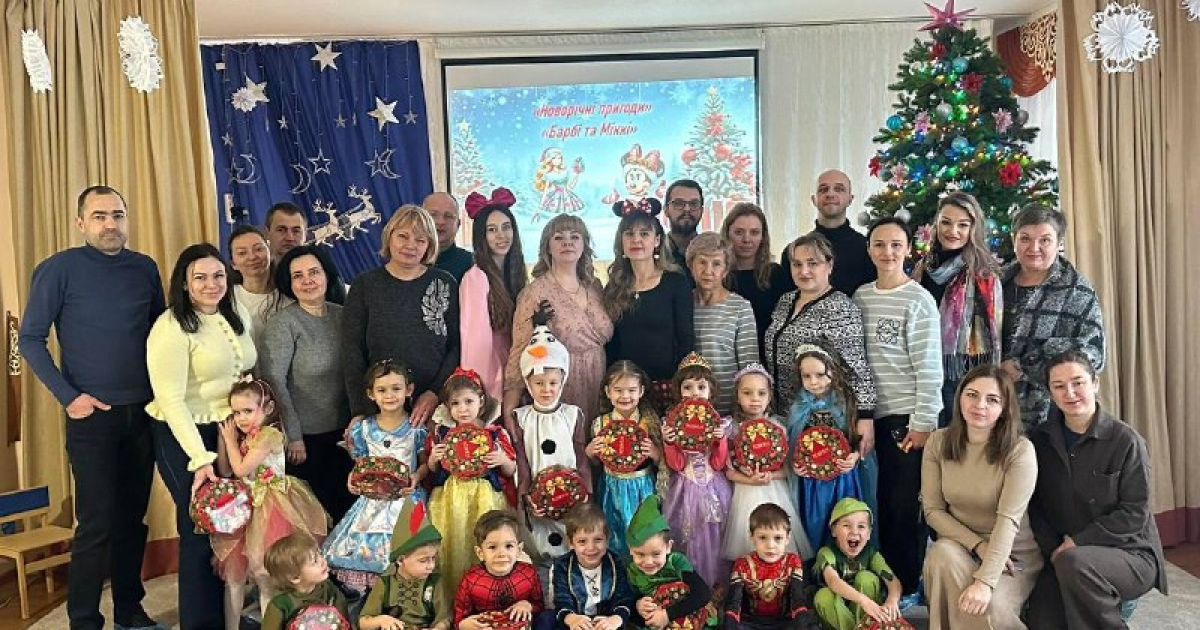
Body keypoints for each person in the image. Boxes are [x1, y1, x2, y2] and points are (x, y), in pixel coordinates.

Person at [18, 185, 167, 630]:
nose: (110, 224)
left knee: (131, 519)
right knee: (96, 522)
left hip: (143, 413)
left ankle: (129, 610)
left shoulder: (144, 268)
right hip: (91, 416)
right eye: (99, 216)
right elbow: (31, 339)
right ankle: (83, 619)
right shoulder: (58, 269)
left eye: (117, 215)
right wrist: (69, 397)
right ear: (80, 222)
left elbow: (161, 336)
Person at [146, 243, 256, 630]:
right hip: (185, 434)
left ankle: (227, 617)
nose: (212, 284)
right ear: (185, 283)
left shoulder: (234, 312)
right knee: (199, 527)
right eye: (201, 277)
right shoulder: (171, 326)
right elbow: (170, 400)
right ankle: (199, 622)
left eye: (218, 275)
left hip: (228, 430)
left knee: (230, 524)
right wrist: (200, 458)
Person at [1025, 350, 1166, 630]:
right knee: (1041, 621)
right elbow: (1035, 508)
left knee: (1075, 564)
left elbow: (1134, 513)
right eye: (1059, 386)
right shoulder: (1039, 441)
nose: (1070, 393)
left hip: (1129, 553)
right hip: (1062, 555)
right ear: (1050, 393)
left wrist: (1077, 543)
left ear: (1095, 383)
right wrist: (1054, 549)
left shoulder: (1126, 441)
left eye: (1078, 382)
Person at [854, 217, 942, 607]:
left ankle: (907, 583)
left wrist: (923, 423)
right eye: (879, 244)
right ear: (869, 249)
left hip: (906, 418)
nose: (887, 252)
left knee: (903, 504)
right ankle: (880, 578)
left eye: (895, 245)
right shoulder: (861, 296)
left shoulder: (918, 299)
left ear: (908, 249)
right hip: (869, 416)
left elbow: (929, 368)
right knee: (877, 501)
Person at [921, 365, 1041, 630]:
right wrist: (977, 545)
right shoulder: (937, 442)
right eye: (972, 395)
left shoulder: (1020, 451)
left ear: (1004, 408)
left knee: (990, 606)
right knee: (940, 554)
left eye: (992, 399)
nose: (980, 405)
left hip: (1010, 556)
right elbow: (933, 511)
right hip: (960, 546)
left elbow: (1008, 521)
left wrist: (985, 581)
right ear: (959, 398)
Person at [212, 377, 328, 630]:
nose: (241, 419)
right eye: (236, 413)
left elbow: (241, 469)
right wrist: (224, 440)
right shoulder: (243, 437)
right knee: (234, 579)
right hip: (244, 508)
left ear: (268, 408)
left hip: (271, 508)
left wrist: (230, 441)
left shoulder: (270, 435)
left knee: (265, 577)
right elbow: (226, 470)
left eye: (248, 411)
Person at [342, 204, 460, 428]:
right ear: (389, 236)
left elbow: (456, 345)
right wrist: (361, 410)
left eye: (420, 240)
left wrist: (435, 392)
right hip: (380, 409)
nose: (410, 246)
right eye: (403, 236)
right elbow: (352, 352)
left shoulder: (444, 283)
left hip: (435, 408)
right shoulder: (365, 285)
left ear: (429, 245)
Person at [260, 245, 352, 521]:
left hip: (347, 435)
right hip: (305, 442)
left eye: (314, 272)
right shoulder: (283, 324)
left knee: (348, 513)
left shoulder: (344, 316)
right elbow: (274, 382)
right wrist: (294, 436)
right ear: (289, 283)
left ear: (327, 275)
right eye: (298, 275)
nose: (308, 280)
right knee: (316, 521)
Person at [324, 360, 429, 592]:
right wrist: (353, 479)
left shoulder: (417, 428)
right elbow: (361, 465)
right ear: (371, 394)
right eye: (382, 390)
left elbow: (424, 465)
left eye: (396, 388)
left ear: (408, 390)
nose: (389, 395)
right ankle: (372, 599)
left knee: (406, 551)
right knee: (367, 550)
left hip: (405, 499)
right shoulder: (363, 429)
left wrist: (416, 477)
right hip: (372, 502)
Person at [1001, 204, 1106, 430]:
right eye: (1025, 239)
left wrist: (1024, 365)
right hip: (994, 407)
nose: (1034, 248)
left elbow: (1093, 353)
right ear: (1014, 240)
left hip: (1051, 412)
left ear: (1059, 243)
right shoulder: (996, 284)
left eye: (1045, 240)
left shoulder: (1076, 290)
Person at [762, 233, 876, 438]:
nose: (803, 271)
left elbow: (857, 369)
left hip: (821, 418)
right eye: (797, 264)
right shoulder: (785, 301)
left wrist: (865, 417)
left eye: (812, 263)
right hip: (782, 414)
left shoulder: (840, 308)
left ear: (829, 266)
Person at [504, 214, 613, 422]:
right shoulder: (534, 293)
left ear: (584, 245)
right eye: (559, 237)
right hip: (556, 388)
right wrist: (509, 406)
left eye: (575, 237)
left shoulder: (595, 287)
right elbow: (520, 350)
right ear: (547, 246)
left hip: (599, 384)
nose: (567, 242)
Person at [427, 369, 519, 607]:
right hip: (450, 498)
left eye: (469, 401)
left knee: (484, 539)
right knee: (453, 542)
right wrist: (434, 458)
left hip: (484, 495)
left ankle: (488, 597)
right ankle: (454, 601)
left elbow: (510, 470)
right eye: (455, 403)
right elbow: (432, 469)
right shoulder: (442, 434)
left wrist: (502, 460)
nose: (463, 409)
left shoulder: (494, 434)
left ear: (481, 401)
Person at [911, 192, 1002, 429]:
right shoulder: (923, 267)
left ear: (974, 228)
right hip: (923, 370)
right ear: (936, 224)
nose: (953, 231)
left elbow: (994, 334)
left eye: (963, 225)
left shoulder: (984, 274)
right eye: (946, 222)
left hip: (962, 376)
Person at [511, 311, 592, 563]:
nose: (546, 389)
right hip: (538, 500)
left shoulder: (572, 415)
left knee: (569, 539)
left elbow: (580, 457)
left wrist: (585, 491)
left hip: (570, 498)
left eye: (553, 383)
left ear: (562, 381)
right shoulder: (521, 417)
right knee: (540, 543)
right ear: (528, 383)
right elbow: (521, 460)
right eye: (539, 383)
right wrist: (526, 496)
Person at [604, 206, 695, 412]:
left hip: (667, 385)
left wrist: (680, 383)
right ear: (621, 242)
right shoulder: (614, 287)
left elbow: (686, 339)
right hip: (626, 390)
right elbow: (612, 344)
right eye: (629, 234)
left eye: (644, 234)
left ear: (657, 241)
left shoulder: (675, 282)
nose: (636, 239)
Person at [722, 364, 810, 562]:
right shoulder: (732, 429)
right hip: (745, 490)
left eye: (761, 393)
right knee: (749, 538)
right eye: (747, 393)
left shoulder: (779, 427)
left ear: (769, 396)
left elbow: (789, 468)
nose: (755, 399)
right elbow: (728, 471)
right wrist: (750, 480)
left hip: (775, 490)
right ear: (737, 396)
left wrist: (772, 475)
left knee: (777, 533)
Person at [661, 354, 732, 587]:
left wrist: (720, 440)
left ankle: (717, 588)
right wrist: (669, 442)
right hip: (684, 489)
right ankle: (691, 586)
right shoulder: (672, 422)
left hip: (714, 487)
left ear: (711, 391)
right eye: (687, 387)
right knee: (688, 536)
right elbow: (677, 465)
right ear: (678, 390)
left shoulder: (719, 422)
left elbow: (719, 464)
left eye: (701, 387)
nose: (694, 392)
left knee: (715, 534)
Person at [787, 345, 864, 551]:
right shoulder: (798, 407)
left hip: (842, 478)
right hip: (812, 482)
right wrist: (796, 465)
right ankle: (818, 563)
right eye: (806, 376)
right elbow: (793, 444)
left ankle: (846, 560)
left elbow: (855, 439)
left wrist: (854, 457)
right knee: (815, 522)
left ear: (832, 371)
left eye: (820, 375)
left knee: (844, 520)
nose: (813, 382)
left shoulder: (845, 403)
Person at [586, 361, 664, 557]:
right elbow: (596, 464)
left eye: (631, 390)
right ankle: (617, 570)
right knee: (613, 533)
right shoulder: (600, 424)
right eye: (618, 390)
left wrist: (655, 453)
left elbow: (663, 463)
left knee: (643, 534)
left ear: (641, 391)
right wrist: (590, 453)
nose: (625, 396)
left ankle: (643, 568)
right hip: (610, 487)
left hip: (642, 487)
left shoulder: (649, 422)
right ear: (607, 391)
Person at [460, 188, 528, 396]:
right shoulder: (476, 278)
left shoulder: (516, 274)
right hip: (492, 378)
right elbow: (475, 345)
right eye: (492, 229)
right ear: (482, 236)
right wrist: (485, 394)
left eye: (506, 227)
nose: (501, 235)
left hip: (517, 369)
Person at [688, 232, 759, 415]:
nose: (708, 271)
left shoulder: (740, 307)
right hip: (689, 409)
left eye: (716, 264)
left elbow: (749, 367)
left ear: (726, 270)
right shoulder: (682, 303)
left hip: (728, 410)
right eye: (702, 262)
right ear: (691, 266)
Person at [625, 495, 717, 630]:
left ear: (668, 547)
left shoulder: (676, 562)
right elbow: (627, 605)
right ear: (630, 549)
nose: (648, 562)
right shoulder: (632, 571)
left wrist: (667, 615)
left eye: (656, 554)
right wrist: (637, 605)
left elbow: (702, 594)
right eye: (640, 554)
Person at [724, 503, 821, 630]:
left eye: (778, 538)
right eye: (762, 537)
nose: (770, 545)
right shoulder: (742, 564)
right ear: (752, 537)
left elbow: (798, 601)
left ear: (787, 538)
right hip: (750, 622)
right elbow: (733, 605)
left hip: (785, 622)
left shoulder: (792, 561)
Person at [779, 170, 875, 297]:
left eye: (839, 189)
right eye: (823, 189)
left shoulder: (868, 249)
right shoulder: (794, 251)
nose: (830, 194)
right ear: (814, 199)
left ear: (850, 199)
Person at [811, 498, 903, 630]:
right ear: (833, 530)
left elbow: (891, 579)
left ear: (869, 533)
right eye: (846, 525)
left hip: (866, 614)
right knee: (824, 596)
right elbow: (833, 581)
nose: (854, 532)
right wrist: (863, 600)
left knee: (867, 578)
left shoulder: (871, 555)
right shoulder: (827, 553)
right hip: (837, 614)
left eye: (861, 526)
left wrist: (892, 600)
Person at [359, 499, 450, 630]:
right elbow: (363, 622)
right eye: (423, 560)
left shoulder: (434, 582)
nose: (431, 566)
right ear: (401, 560)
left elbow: (445, 619)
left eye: (433, 558)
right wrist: (381, 620)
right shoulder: (386, 581)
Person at [453, 510, 551, 630]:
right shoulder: (471, 579)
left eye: (508, 546)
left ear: (519, 550)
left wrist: (527, 605)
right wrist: (463, 625)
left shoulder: (529, 573)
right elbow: (458, 618)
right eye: (492, 547)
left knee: (548, 617)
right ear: (480, 553)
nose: (501, 554)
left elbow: (539, 606)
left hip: (521, 626)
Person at [549, 503, 637, 630]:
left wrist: (615, 619)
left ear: (607, 539)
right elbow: (562, 601)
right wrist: (572, 619)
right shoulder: (562, 566)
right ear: (571, 543)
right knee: (547, 619)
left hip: (606, 622)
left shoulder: (616, 562)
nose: (591, 548)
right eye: (582, 541)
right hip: (576, 622)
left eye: (598, 540)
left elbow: (623, 598)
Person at [721, 202, 794, 355]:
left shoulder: (776, 275)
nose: (746, 239)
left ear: (763, 237)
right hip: (726, 359)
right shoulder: (717, 276)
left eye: (754, 232)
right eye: (739, 232)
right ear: (727, 234)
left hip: (769, 357)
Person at [261, 533, 350, 630]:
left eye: (320, 554)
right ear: (295, 577)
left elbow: (343, 619)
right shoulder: (281, 604)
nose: (322, 561)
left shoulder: (329, 588)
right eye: (315, 561)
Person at [228, 225, 288, 348]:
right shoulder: (226, 299)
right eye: (242, 253)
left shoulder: (289, 297)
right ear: (233, 264)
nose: (252, 257)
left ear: (270, 253)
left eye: (258, 249)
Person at [425, 192, 474, 283]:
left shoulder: (472, 264)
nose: (440, 222)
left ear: (458, 224)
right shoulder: (407, 259)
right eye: (433, 215)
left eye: (448, 216)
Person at [663, 179, 705, 274]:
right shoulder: (652, 252)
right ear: (666, 210)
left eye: (694, 204)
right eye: (678, 203)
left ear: (702, 211)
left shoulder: (712, 252)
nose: (687, 209)